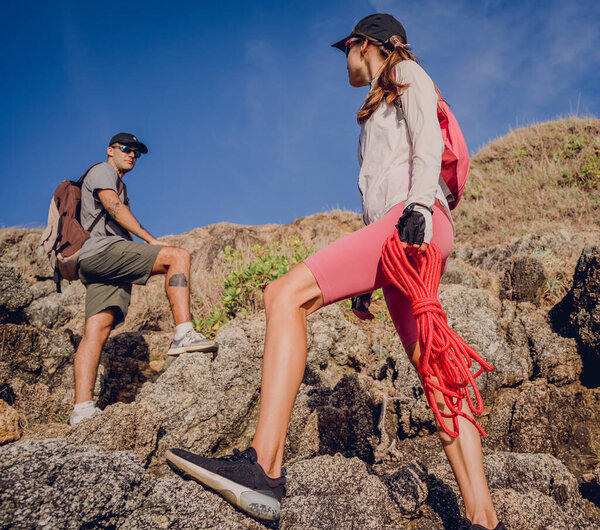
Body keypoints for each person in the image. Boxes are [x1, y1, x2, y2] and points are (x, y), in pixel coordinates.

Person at [166, 14, 505, 530]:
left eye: (345, 48)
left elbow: (427, 143)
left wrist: (416, 207)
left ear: (364, 44)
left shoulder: (408, 73)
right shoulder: (374, 106)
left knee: (283, 295)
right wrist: (370, 277)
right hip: (404, 234)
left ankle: (262, 466)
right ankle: (484, 516)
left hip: (412, 222)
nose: (343, 58)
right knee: (433, 366)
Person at [70, 132, 217, 426]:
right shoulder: (102, 171)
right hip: (102, 252)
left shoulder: (119, 183)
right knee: (178, 256)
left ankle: (81, 408)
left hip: (92, 261)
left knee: (97, 329)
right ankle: (184, 333)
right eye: (126, 149)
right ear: (110, 150)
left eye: (136, 152)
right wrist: (150, 240)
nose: (132, 155)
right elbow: (112, 205)